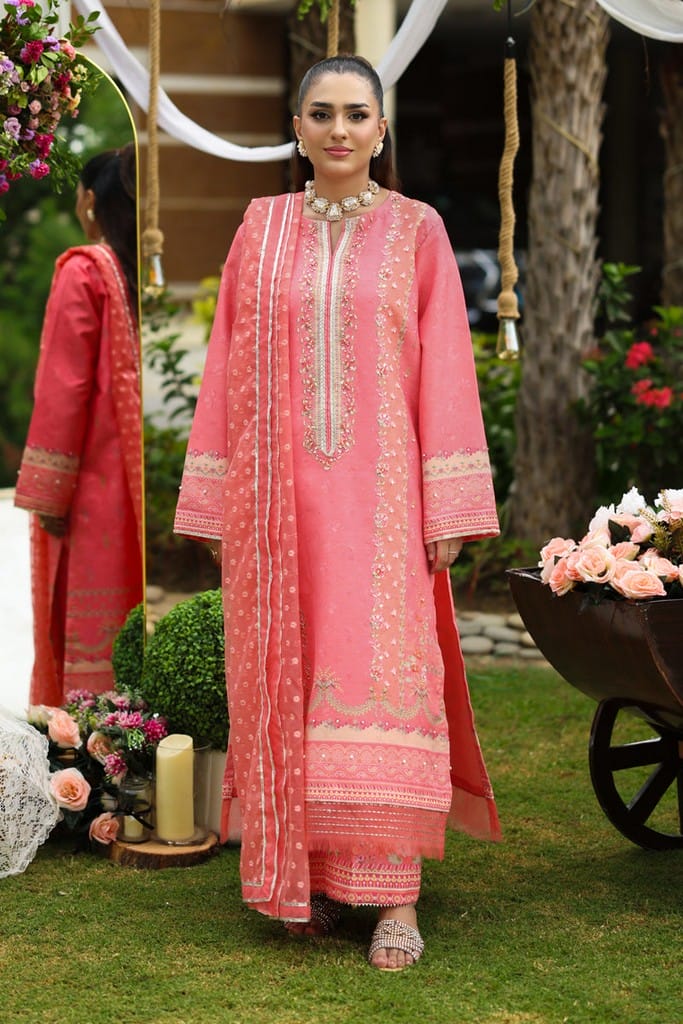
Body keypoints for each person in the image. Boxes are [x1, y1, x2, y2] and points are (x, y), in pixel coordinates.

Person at [174, 55, 501, 971]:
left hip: (382, 504)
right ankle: (310, 876)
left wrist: (449, 502)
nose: (339, 130)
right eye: (320, 114)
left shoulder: (417, 230)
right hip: (278, 507)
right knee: (296, 671)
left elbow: (446, 365)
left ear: (381, 129)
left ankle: (395, 898)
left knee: (376, 670)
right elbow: (224, 361)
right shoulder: (261, 227)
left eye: (356, 113)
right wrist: (215, 500)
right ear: (298, 128)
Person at [14, 145, 143, 706]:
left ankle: (90, 730)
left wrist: (48, 492)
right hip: (135, 477)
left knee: (84, 606)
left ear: (91, 201)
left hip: (90, 482)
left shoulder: (84, 271)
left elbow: (63, 387)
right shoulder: (141, 271)